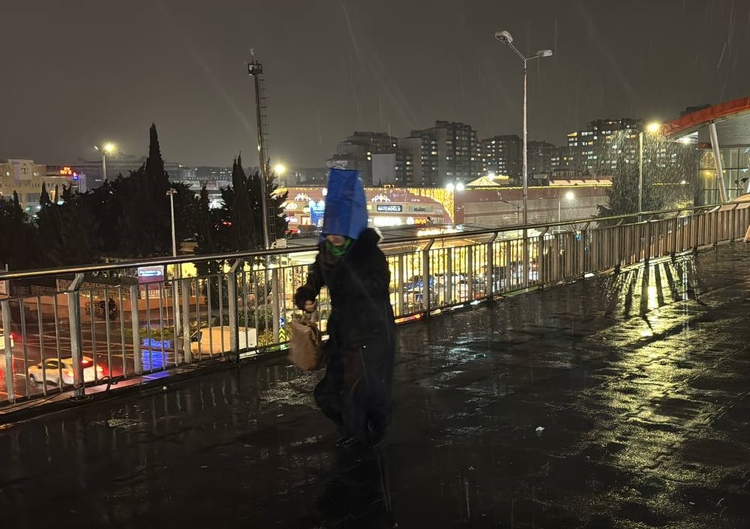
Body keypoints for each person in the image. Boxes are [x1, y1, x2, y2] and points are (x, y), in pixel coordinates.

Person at [295, 169, 396, 449]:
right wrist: (306, 296)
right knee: (329, 391)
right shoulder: (326, 253)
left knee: (360, 388)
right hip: (342, 331)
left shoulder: (369, 253)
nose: (334, 238)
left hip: (370, 331)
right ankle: (356, 428)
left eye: (340, 232)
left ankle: (364, 434)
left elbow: (378, 285)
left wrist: (348, 277)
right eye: (331, 232)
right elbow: (314, 280)